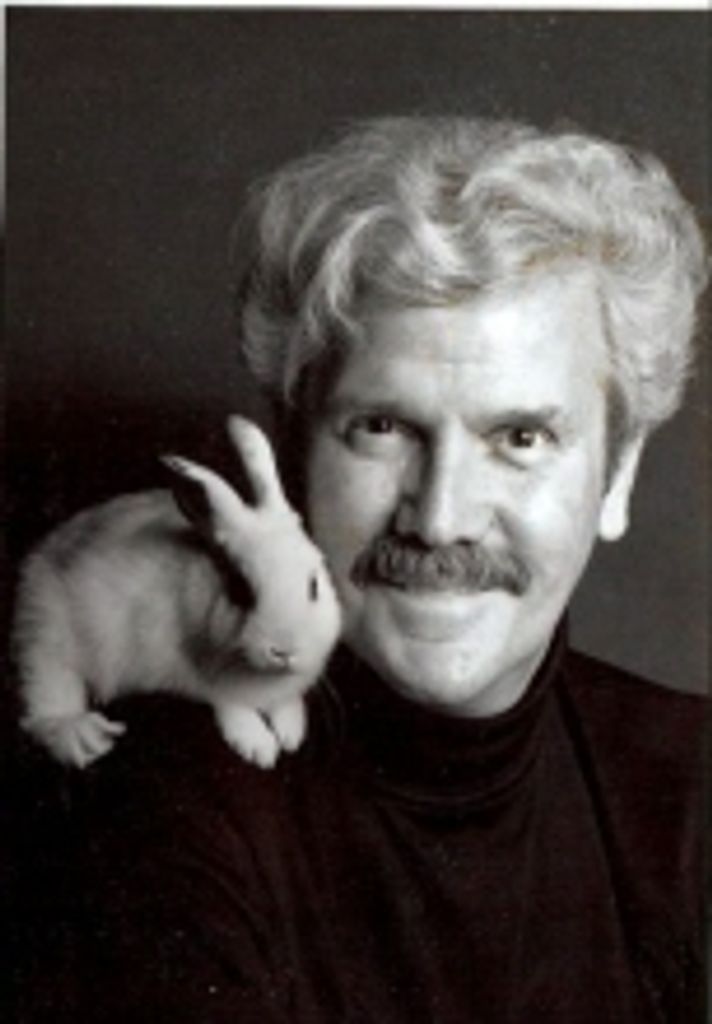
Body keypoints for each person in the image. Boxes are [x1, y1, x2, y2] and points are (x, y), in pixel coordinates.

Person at [16, 117, 710, 1023]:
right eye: (382, 428)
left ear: (617, 477)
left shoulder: (692, 783)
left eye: (520, 438)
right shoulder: (157, 818)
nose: (441, 517)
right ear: (295, 452)